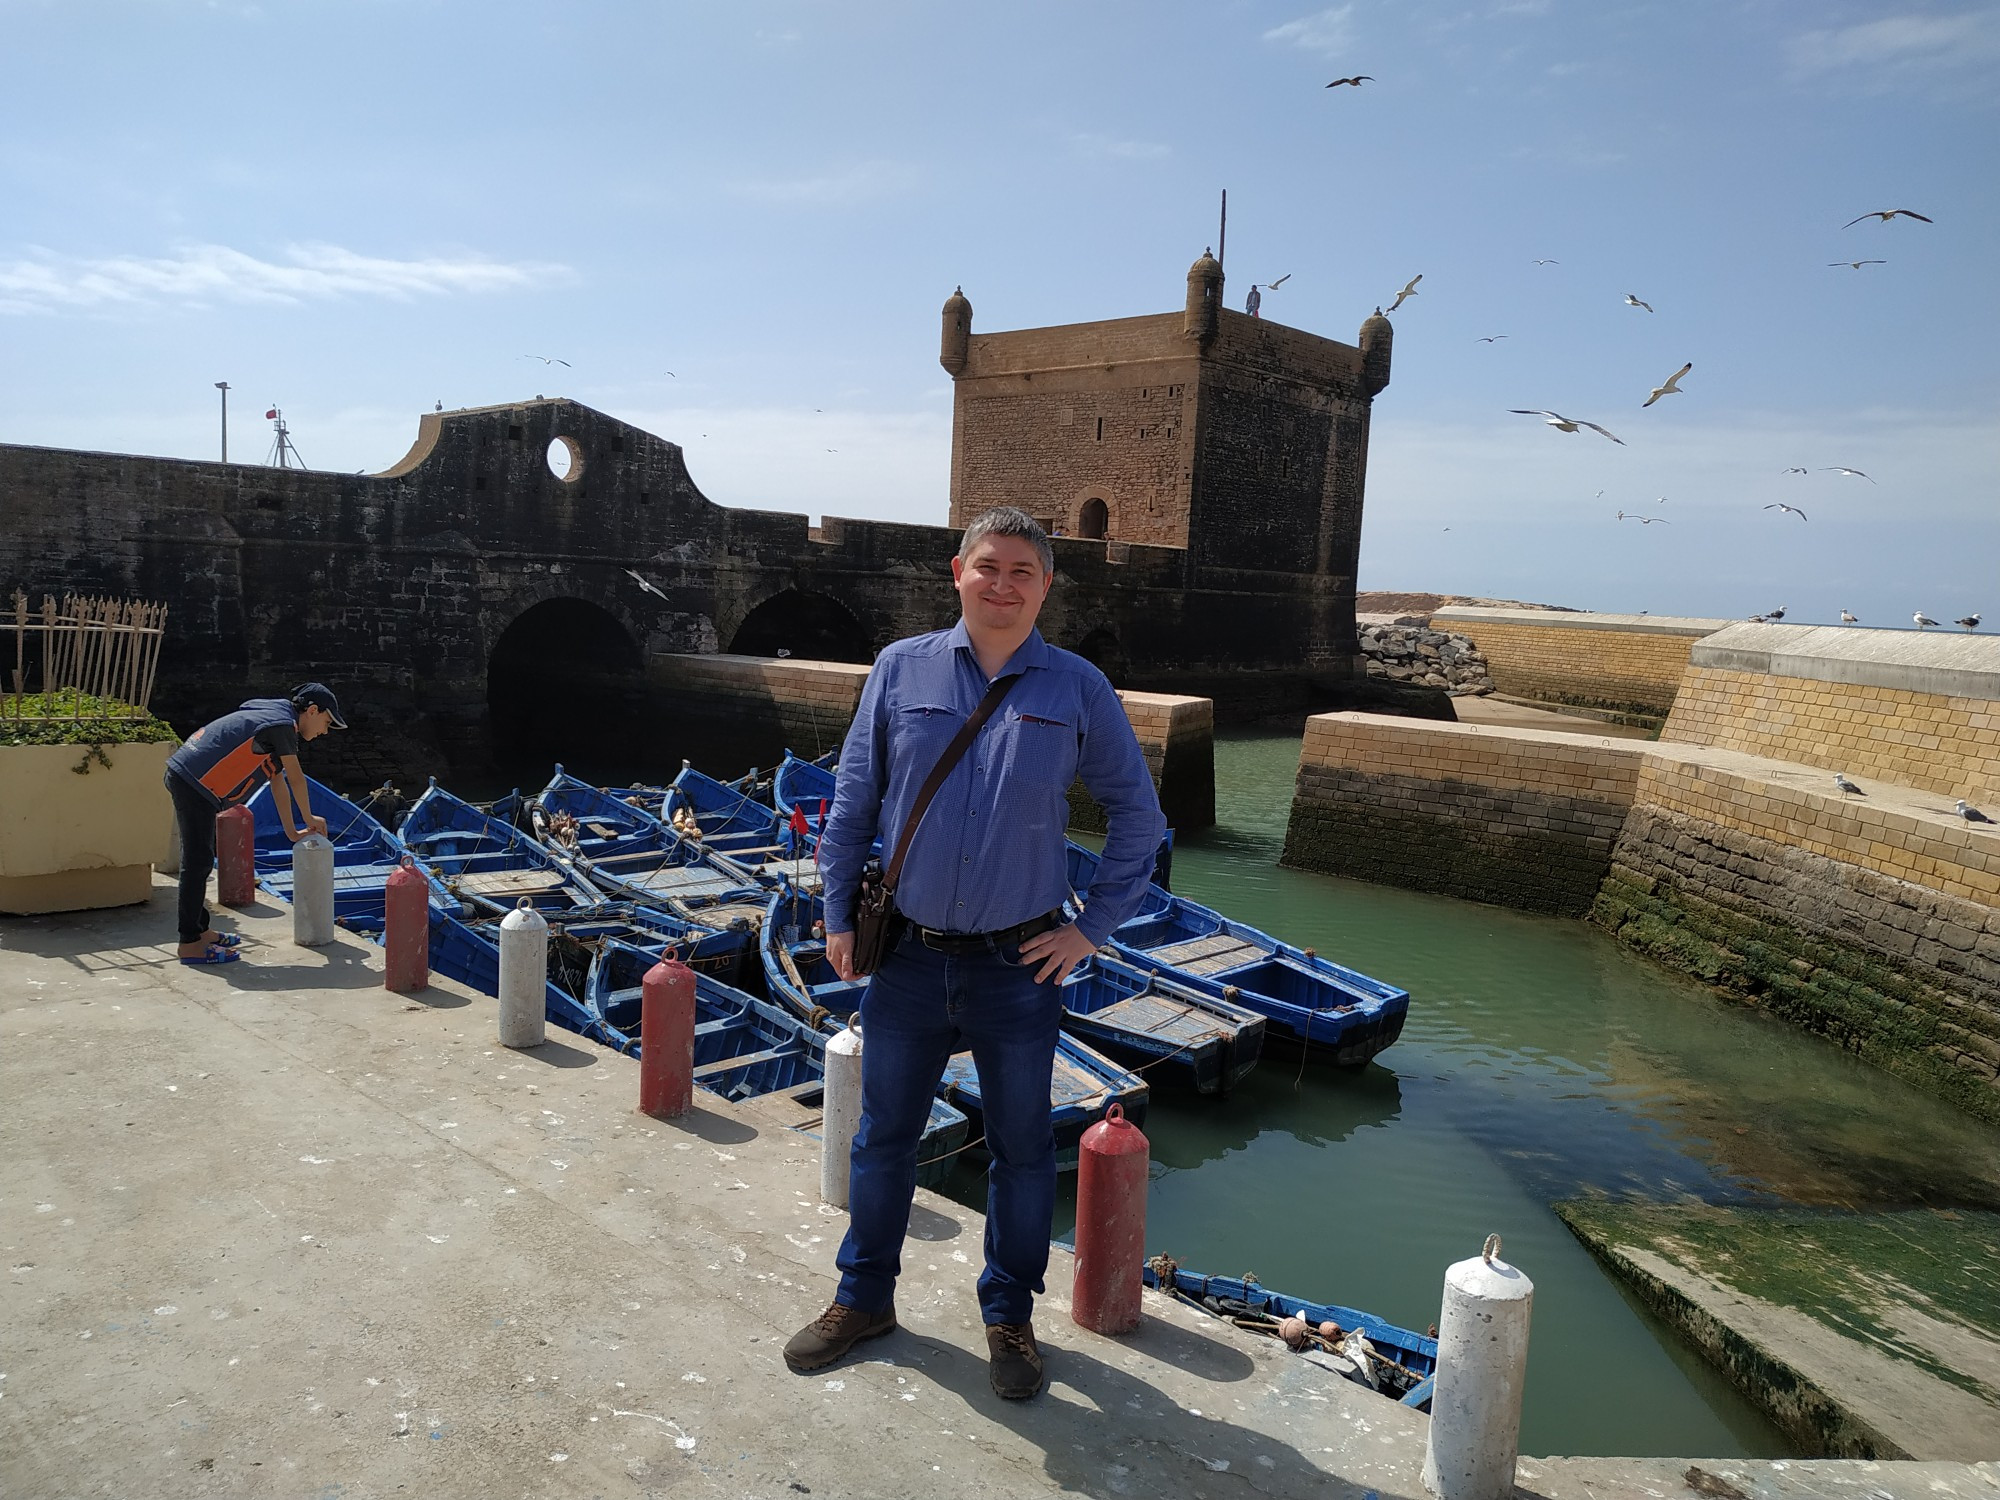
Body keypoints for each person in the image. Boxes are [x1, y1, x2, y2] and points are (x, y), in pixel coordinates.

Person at [787, 507, 1166, 1399]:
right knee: (883, 1140)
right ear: (956, 571)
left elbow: (1138, 821)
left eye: (1023, 570)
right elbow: (853, 801)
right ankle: (863, 1298)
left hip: (1018, 964)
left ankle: (1009, 1316)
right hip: (910, 957)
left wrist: (1090, 930)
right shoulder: (900, 668)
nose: (1003, 583)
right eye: (988, 566)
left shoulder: (1077, 689)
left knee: (1025, 1152)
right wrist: (838, 913)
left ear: (1046, 586)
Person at [163, 683, 345, 965]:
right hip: (194, 782)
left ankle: (201, 931)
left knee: (200, 859)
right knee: (196, 862)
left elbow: (278, 782)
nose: (324, 731)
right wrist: (310, 818)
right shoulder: (282, 726)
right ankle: (189, 943)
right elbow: (297, 778)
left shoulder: (274, 718)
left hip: (191, 779)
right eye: (326, 723)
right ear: (312, 710)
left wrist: (293, 831)